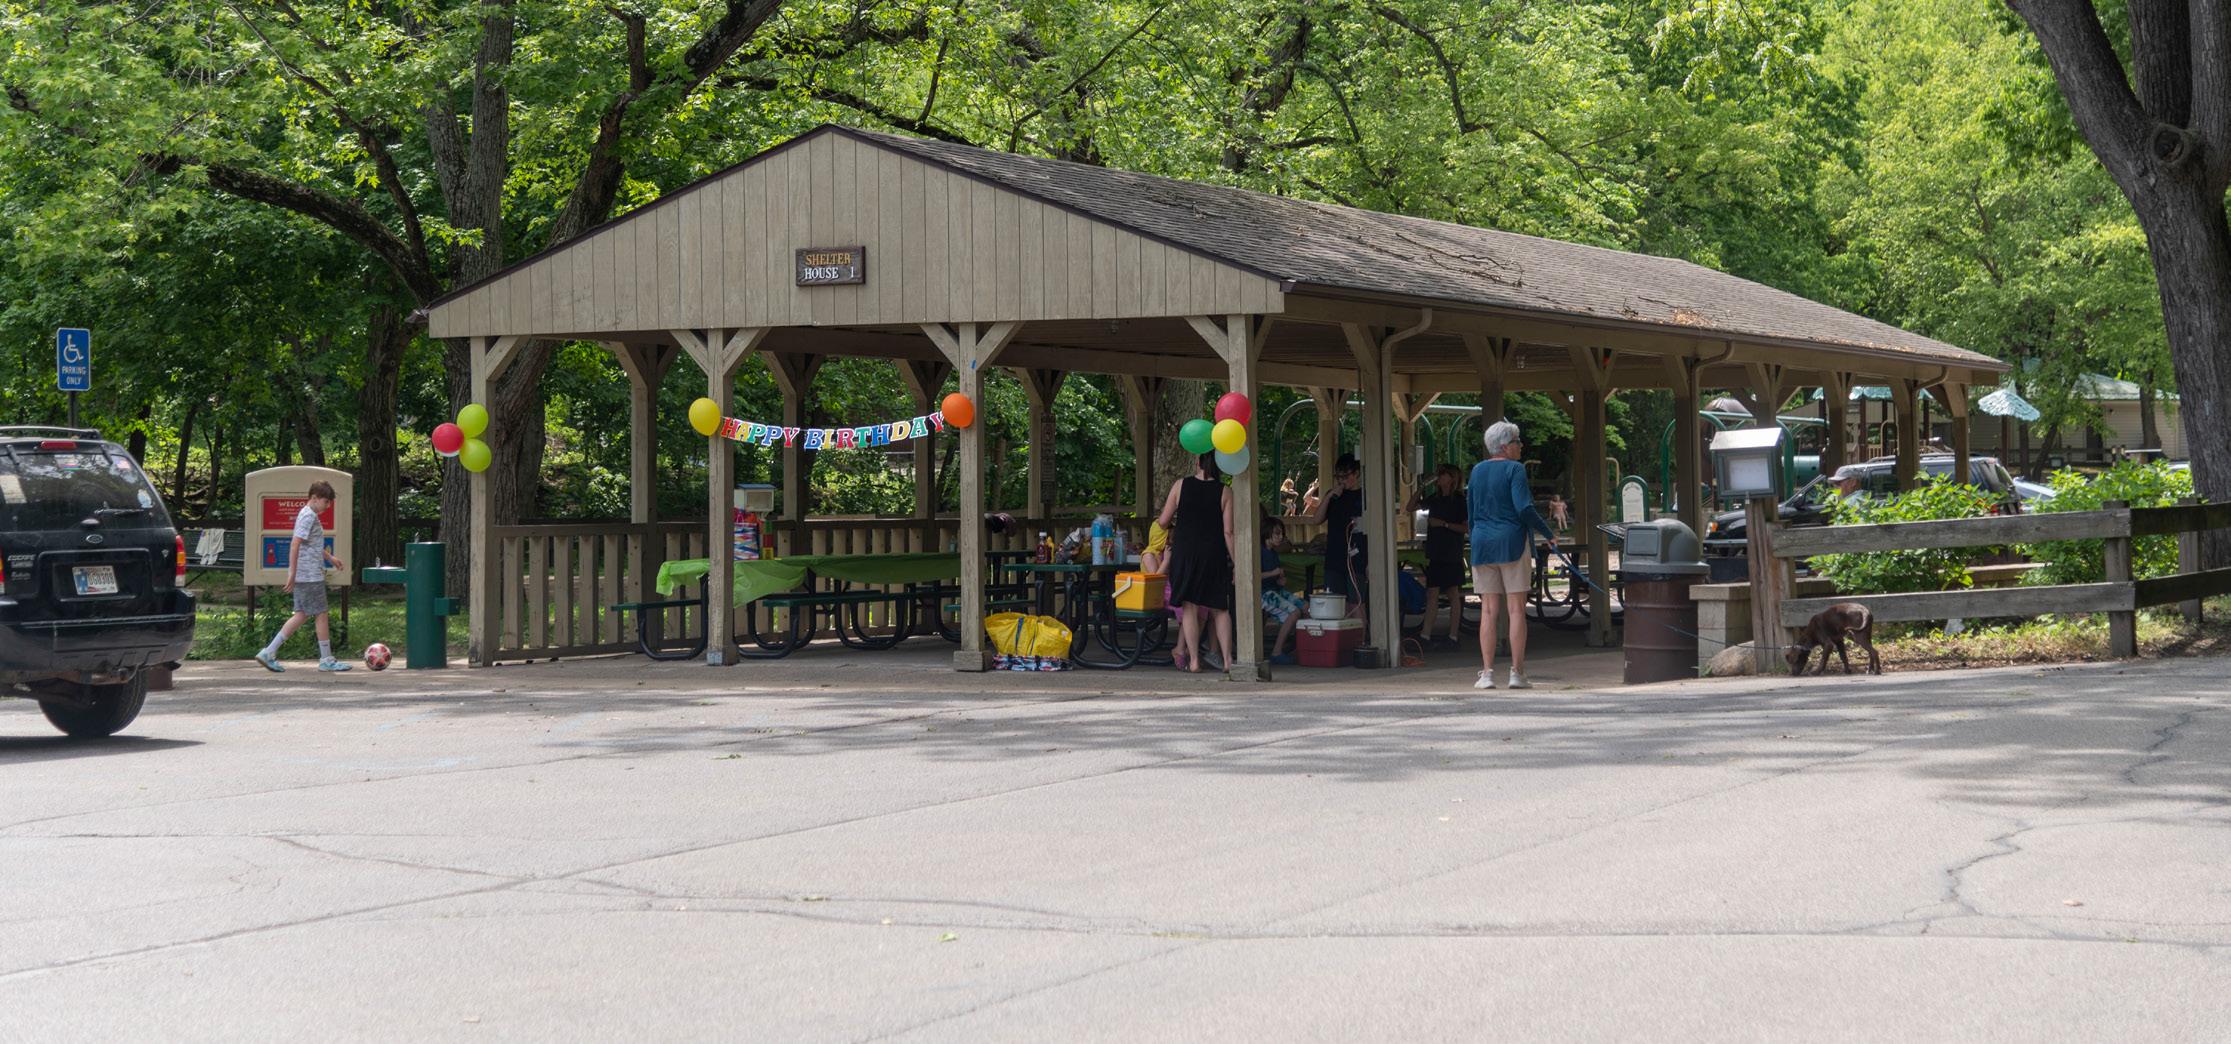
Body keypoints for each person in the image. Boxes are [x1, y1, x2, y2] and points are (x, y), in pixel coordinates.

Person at [1468, 422, 1556, 690]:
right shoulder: (1515, 469)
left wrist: (1476, 537)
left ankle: (1486, 673)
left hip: (1482, 543)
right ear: (1505, 447)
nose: (1521, 445)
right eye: (1517, 441)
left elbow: (1471, 511)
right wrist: (1547, 532)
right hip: (1512, 542)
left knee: (1488, 610)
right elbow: (1524, 508)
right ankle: (1517, 672)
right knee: (1516, 609)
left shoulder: (1477, 470)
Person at [255, 480, 350, 673]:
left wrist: (330, 558)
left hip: (306, 574)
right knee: (321, 613)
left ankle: (269, 652)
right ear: (314, 498)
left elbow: (311, 544)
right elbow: (295, 543)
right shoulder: (308, 516)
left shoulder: (307, 514)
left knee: (302, 614)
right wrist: (292, 573)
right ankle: (326, 660)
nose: (328, 506)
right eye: (326, 501)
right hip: (309, 575)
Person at [1157, 452, 1235, 674]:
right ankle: (1228, 660)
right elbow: (1228, 532)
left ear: (1198, 462)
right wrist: (1237, 562)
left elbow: (1163, 522)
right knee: (1220, 608)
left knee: (1189, 607)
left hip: (1185, 552)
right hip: (1213, 553)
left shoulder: (1180, 485)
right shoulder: (1225, 491)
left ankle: (1193, 661)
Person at [1406, 463, 1469, 650]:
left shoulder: (1460, 501)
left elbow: (1465, 528)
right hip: (1435, 552)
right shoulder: (1434, 499)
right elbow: (1410, 507)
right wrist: (1422, 487)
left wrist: (1444, 524)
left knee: (1453, 593)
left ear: (1452, 478)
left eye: (1443, 474)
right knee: (1432, 592)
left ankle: (1453, 636)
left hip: (1452, 552)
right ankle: (1425, 635)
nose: (1439, 477)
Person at [1303, 455, 1366, 628]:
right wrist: (1329, 496)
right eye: (1338, 477)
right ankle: (1342, 637)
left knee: (1356, 601)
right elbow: (1316, 519)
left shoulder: (1364, 496)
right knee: (1336, 602)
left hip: (1356, 556)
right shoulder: (1334, 497)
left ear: (1356, 474)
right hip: (1334, 556)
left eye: (1345, 476)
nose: (1341, 481)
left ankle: (1361, 638)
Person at [1260, 517, 1304, 665]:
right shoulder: (1259, 552)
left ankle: (1301, 647)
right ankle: (1277, 651)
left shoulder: (1273, 553)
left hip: (1275, 590)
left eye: (1282, 534)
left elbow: (1276, 578)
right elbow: (1253, 575)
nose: (1280, 537)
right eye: (1277, 534)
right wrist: (1273, 573)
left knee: (1306, 607)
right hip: (1263, 593)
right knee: (1294, 612)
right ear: (1267, 533)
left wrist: (1279, 580)